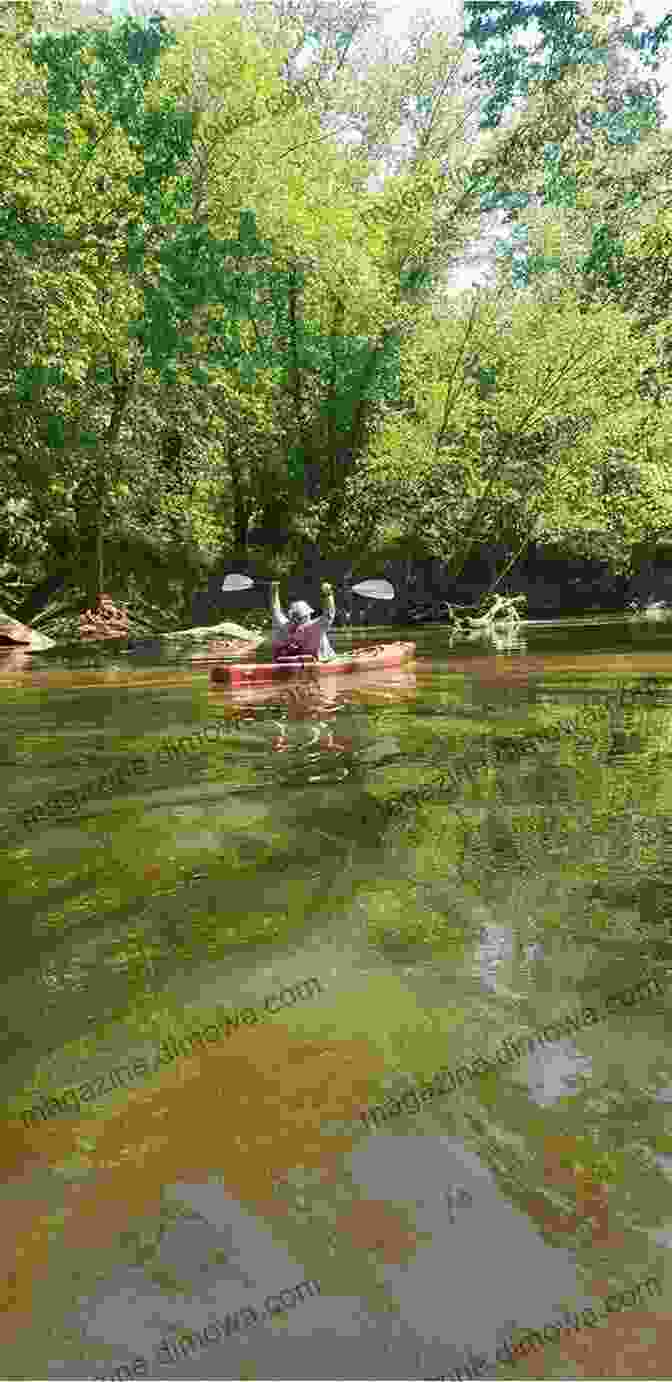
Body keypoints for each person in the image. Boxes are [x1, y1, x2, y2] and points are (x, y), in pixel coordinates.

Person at [270, 579, 336, 661]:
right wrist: (328, 594)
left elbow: (275, 610)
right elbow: (329, 614)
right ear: (307, 615)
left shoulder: (285, 625)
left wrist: (274, 590)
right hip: (308, 660)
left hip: (323, 659)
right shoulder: (314, 626)